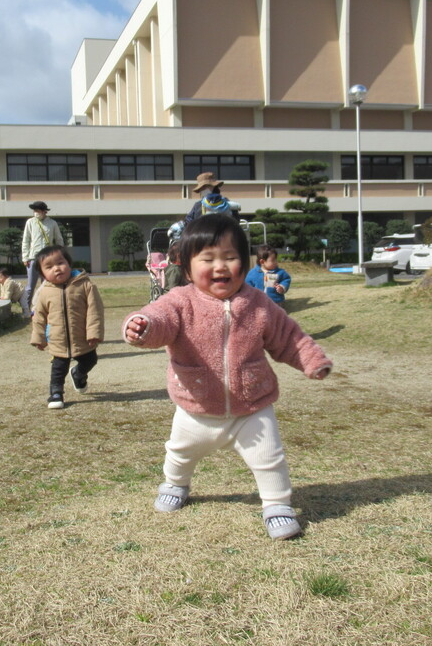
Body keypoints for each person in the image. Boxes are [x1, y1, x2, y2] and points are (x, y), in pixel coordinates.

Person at [122, 214, 332, 540]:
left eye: (230, 257)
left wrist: (312, 360)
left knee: (269, 457)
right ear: (187, 267)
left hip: (251, 406)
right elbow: (157, 319)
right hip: (195, 406)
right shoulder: (180, 301)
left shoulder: (258, 303)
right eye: (207, 259)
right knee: (180, 452)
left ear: (245, 263)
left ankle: (277, 504)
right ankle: (176, 484)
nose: (220, 266)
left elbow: (288, 337)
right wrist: (141, 326)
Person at [30, 245, 104, 410]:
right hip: (58, 340)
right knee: (58, 369)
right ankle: (56, 392)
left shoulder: (85, 285)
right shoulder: (44, 292)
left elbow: (95, 310)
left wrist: (94, 333)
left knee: (91, 360)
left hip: (82, 337)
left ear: (69, 264)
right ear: (42, 274)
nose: (56, 269)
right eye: (49, 267)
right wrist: (38, 337)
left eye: (60, 263)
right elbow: (39, 317)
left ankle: (78, 374)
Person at [21, 201, 65, 317]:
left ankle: (44, 309)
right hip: (33, 257)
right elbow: (26, 240)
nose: (35, 213)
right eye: (34, 211)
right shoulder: (30, 222)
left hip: (47, 259)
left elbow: (59, 240)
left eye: (37, 210)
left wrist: (58, 254)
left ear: (44, 211)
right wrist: (25, 257)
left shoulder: (52, 223)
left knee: (47, 284)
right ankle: (26, 309)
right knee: (30, 286)